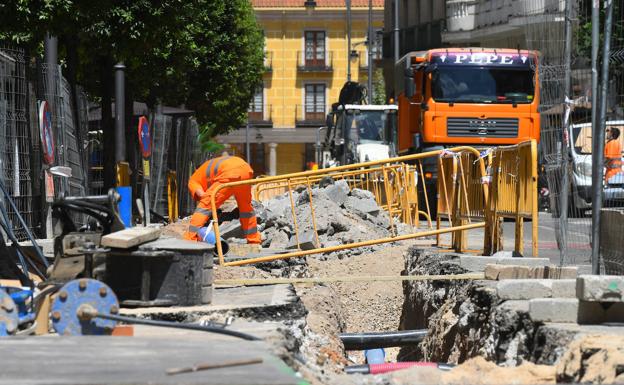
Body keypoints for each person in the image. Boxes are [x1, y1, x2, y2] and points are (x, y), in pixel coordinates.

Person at [184, 154, 261, 244]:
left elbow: (203, 197)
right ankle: (253, 239)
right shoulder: (207, 168)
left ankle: (190, 239)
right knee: (246, 209)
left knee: (203, 207)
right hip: (246, 169)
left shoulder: (193, 180)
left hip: (230, 173)